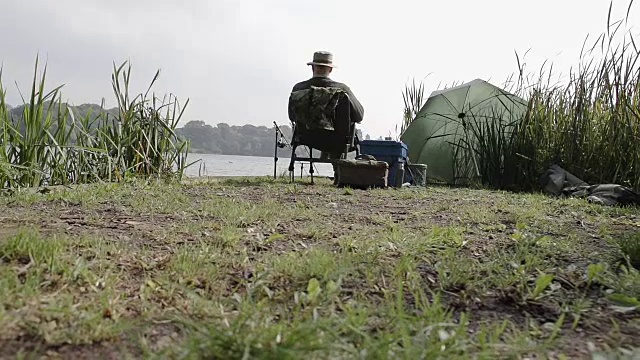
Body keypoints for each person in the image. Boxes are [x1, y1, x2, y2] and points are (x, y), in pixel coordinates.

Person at [287, 51, 365, 163]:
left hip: (306, 137)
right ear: (330, 69)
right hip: (337, 139)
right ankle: (337, 166)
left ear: (313, 67)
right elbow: (359, 115)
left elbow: (292, 116)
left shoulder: (298, 88)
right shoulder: (342, 89)